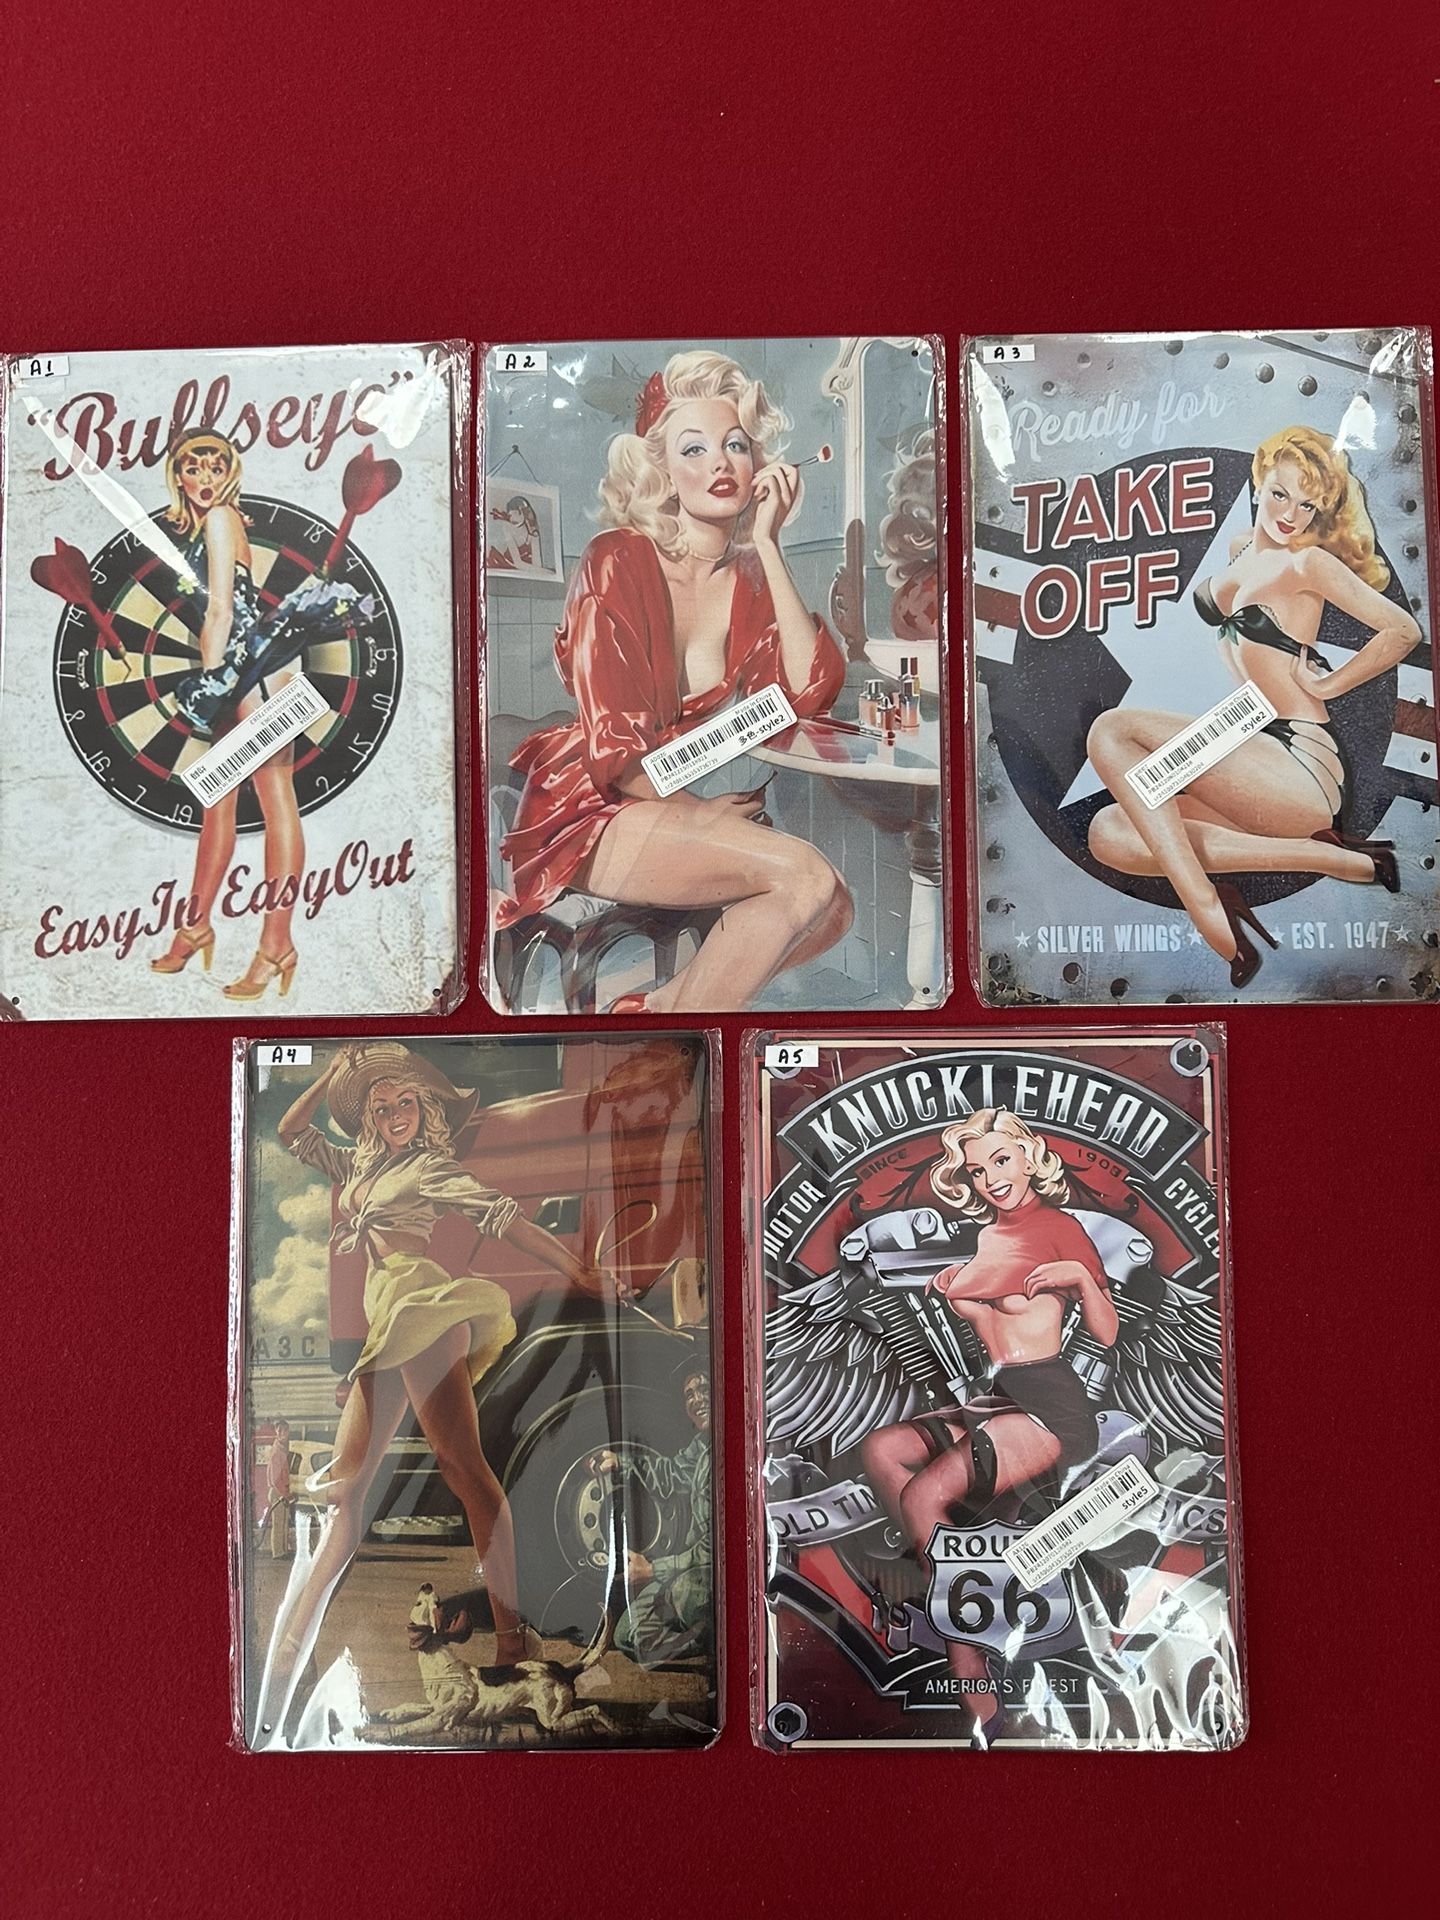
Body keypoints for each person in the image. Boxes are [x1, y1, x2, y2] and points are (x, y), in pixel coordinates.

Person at [251, 1042, 624, 1744]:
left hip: (422, 1312)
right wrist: (333, 1074)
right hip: (389, 1322)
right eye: (380, 1106)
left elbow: (503, 1217)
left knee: (460, 1472)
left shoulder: (428, 1167)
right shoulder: (360, 1167)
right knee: (356, 1494)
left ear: (424, 1109)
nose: (394, 1114)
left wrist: (579, 1269)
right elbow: (291, 1132)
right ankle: (284, 1662)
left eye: (405, 1102)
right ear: (368, 1119)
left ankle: (510, 1639)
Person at [495, 350, 851, 1012]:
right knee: (808, 880)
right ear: (661, 470)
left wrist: (769, 545)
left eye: (736, 445)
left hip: (676, 798)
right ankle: (663, 1027)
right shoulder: (615, 559)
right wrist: (698, 811)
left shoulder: (752, 577)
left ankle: (656, 1010)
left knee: (834, 912)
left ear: (759, 466)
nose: (720, 464)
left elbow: (808, 694)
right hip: (592, 805)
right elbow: (615, 747)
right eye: (695, 449)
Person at [1087, 425, 1422, 987]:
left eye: (1307, 506)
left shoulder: (1308, 564)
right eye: (1281, 494)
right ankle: (1327, 857)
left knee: (1111, 732)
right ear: (1259, 482)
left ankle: (1208, 910)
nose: (1290, 515)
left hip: (1301, 763)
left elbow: (1403, 631)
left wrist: (1328, 686)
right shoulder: (1239, 548)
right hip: (1252, 749)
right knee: (1109, 831)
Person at [859, 1109, 1117, 1736]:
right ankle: (950, 1582)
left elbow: (1108, 1333)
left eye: (1002, 1159)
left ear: (1030, 1156)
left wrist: (1081, 1279)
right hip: (1000, 1398)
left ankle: (970, 1671)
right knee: (883, 1450)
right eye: (977, 1170)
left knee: (923, 1496)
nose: (991, 1177)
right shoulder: (986, 1240)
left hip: (1050, 1406)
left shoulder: (1060, 1228)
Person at [147, 430, 305, 998]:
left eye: (217, 466)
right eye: (195, 467)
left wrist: (213, 683)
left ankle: (276, 947)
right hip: (249, 668)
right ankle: (195, 928)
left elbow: (220, 612)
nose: (206, 478)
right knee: (220, 805)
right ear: (178, 474)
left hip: (252, 673)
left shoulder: (219, 518)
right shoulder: (212, 522)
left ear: (229, 472)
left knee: (274, 797)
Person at [590, 1364, 712, 1664]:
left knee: (686, 1594)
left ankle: (721, 1633)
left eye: (704, 1389)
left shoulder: (732, 1449)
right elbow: (671, 1473)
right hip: (694, 1568)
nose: (697, 1400)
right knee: (628, 1635)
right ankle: (708, 1638)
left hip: (714, 1573)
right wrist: (620, 1462)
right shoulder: (702, 1446)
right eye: (689, 1394)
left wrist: (653, 1570)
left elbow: (717, 1551)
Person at [266, 1420, 292, 1559]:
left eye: (286, 1431)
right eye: (281, 1431)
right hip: (278, 1492)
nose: (284, 1434)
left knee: (283, 1522)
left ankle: (283, 1551)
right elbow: (276, 1479)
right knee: (278, 1523)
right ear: (277, 1432)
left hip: (282, 1491)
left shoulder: (282, 1450)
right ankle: (278, 1553)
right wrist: (285, 1494)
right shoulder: (276, 1452)